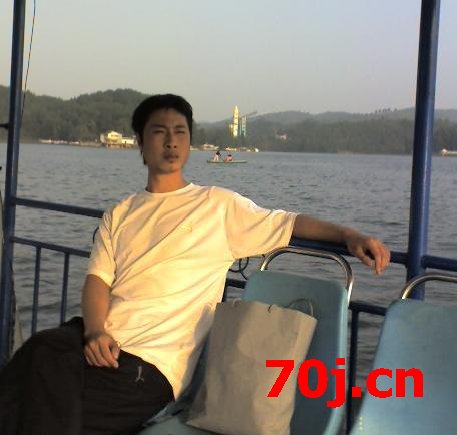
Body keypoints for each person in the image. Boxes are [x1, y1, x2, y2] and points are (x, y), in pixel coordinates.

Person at [0, 94, 390, 434]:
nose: (171, 141)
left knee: (35, 402)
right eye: (159, 131)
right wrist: (96, 331)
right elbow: (98, 282)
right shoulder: (120, 213)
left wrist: (348, 235)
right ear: (140, 142)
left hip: (150, 363)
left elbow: (288, 223)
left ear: (189, 142)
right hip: (96, 339)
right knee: (38, 352)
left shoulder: (217, 206)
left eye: (180, 132)